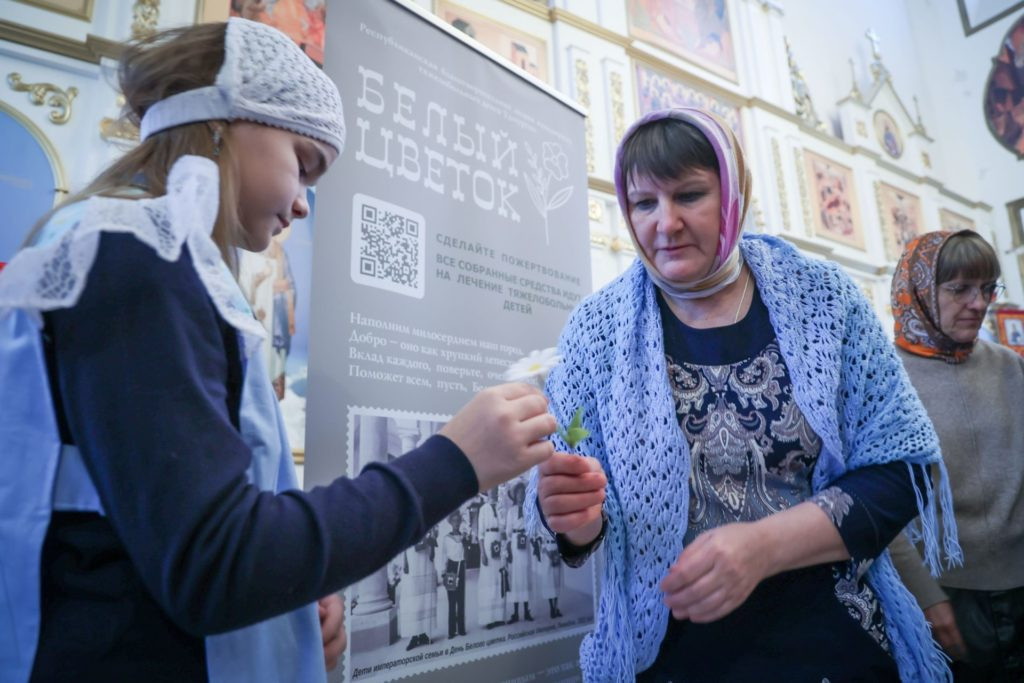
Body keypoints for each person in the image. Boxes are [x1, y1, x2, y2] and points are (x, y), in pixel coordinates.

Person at [0, 18, 556, 682]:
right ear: (228, 118)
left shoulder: (141, 254)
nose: (302, 206)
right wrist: (453, 461)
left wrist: (285, 596)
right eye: (304, 162)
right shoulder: (138, 254)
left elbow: (183, 532)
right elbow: (214, 563)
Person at [526, 107, 961, 681]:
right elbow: (580, 514)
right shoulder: (596, 331)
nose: (666, 224)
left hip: (831, 641)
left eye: (689, 195)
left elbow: (902, 470)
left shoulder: (823, 300)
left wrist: (764, 546)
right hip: (673, 656)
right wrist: (573, 516)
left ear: (733, 192)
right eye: (644, 203)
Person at [887, 230, 1024, 681]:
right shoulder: (886, 379)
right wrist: (925, 595)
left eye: (987, 288)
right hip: (947, 596)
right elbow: (875, 505)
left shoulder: (1010, 366)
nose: (978, 303)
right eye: (960, 289)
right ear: (920, 289)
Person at [397, 527, 438, 651]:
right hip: (413, 559)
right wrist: (405, 561)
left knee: (424, 597)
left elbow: (433, 536)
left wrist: (432, 549)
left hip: (425, 560)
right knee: (413, 598)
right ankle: (414, 636)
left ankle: (424, 633)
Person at [477, 487, 507, 629]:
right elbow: (480, 534)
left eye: (495, 489)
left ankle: (499, 616)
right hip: (488, 543)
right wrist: (482, 553)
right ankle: (488, 618)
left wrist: (505, 549)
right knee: (488, 580)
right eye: (491, 489)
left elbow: (504, 529)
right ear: (487, 492)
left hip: (499, 542)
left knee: (499, 578)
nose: (493, 491)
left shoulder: (501, 508)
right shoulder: (483, 509)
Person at [504, 480, 534, 624]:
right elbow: (508, 532)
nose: (521, 495)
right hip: (515, 543)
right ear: (515, 496)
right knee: (516, 578)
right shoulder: (511, 512)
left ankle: (526, 611)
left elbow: (532, 527)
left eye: (523, 493)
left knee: (525, 577)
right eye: (518, 493)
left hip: (525, 543)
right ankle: (515, 613)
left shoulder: (528, 509)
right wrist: (509, 548)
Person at [440, 509, 468, 641]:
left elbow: (465, 553)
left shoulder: (463, 537)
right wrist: (443, 572)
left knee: (461, 598)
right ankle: (451, 630)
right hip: (451, 568)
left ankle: (461, 628)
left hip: (461, 567)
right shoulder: (446, 538)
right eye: (454, 521)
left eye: (458, 521)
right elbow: (443, 556)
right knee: (452, 600)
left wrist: (466, 541)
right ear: (450, 523)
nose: (456, 523)